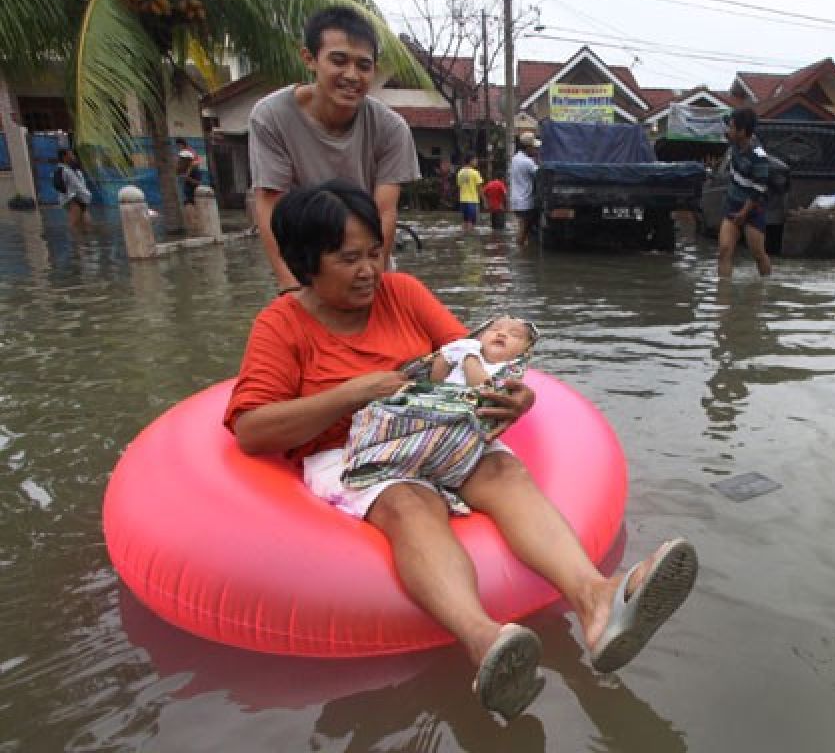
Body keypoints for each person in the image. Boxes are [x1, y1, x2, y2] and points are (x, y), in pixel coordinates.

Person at [223, 179, 698, 720]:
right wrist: (357, 391)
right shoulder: (281, 325)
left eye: (374, 253)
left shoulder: (402, 294)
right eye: (348, 258)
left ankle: (596, 600)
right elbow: (252, 428)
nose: (368, 271)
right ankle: (485, 642)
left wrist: (511, 395)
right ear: (307, 263)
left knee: (502, 470)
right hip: (356, 453)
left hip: (434, 428)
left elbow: (471, 357)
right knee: (409, 503)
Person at [248, 6, 419, 291]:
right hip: (306, 266)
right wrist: (289, 284)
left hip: (368, 264)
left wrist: (373, 278)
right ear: (310, 59)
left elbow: (384, 212)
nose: (352, 75)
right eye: (339, 61)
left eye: (364, 66)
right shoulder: (271, 117)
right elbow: (269, 203)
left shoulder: (392, 129)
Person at [342, 315, 537, 517]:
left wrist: (470, 357)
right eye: (495, 329)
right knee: (386, 408)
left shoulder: (503, 371)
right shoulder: (462, 354)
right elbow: (436, 380)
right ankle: (376, 452)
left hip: (461, 413)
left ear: (524, 351)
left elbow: (482, 389)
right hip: (437, 402)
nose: (501, 333)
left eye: (514, 334)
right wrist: (446, 356)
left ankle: (421, 461)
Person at [717, 108, 771, 277]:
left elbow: (759, 189)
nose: (728, 131)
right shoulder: (734, 142)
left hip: (752, 210)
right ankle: (723, 296)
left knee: (758, 255)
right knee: (724, 251)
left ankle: (765, 285)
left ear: (742, 132)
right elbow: (726, 120)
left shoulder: (758, 156)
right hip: (733, 206)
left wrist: (744, 213)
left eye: (732, 128)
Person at [510, 131, 540, 246]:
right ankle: (520, 252)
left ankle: (522, 250)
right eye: (534, 148)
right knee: (524, 228)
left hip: (517, 200)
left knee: (524, 228)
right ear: (528, 148)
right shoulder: (527, 162)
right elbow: (540, 175)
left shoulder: (516, 158)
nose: (536, 150)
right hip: (525, 201)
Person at [56, 149, 91, 226]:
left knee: (86, 224)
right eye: (71, 155)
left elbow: (79, 185)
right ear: (64, 157)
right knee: (75, 225)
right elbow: (58, 185)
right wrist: (72, 197)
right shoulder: (62, 169)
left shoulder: (73, 170)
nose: (73, 157)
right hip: (74, 201)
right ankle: (75, 237)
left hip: (82, 201)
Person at [178, 152, 205, 227]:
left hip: (193, 200)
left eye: (182, 159)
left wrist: (187, 178)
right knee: (190, 221)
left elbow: (198, 183)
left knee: (194, 222)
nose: (181, 161)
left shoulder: (195, 170)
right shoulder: (186, 170)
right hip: (188, 199)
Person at [456, 154, 483, 230]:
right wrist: (484, 200)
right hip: (472, 201)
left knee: (465, 222)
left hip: (462, 201)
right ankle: (471, 240)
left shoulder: (460, 172)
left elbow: (459, 187)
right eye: (475, 160)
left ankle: (464, 238)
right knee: (472, 223)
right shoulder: (475, 173)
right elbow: (479, 188)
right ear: (471, 161)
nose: (476, 162)